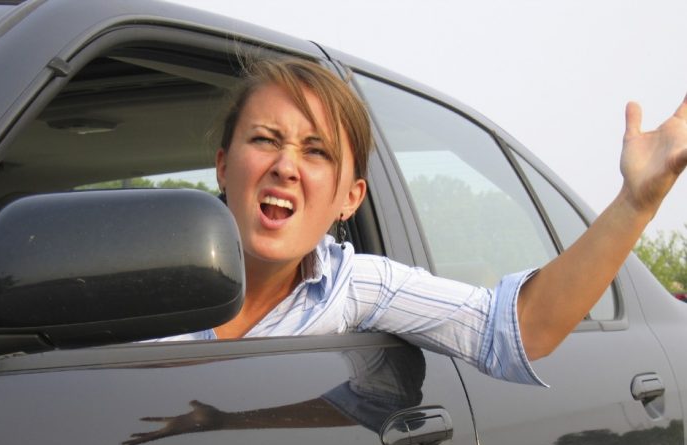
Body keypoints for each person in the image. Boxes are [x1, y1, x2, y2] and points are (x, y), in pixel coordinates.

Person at [161, 57, 687, 386]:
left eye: (316, 151)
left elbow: (515, 330)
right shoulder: (136, 277)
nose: (285, 166)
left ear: (349, 198)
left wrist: (635, 202)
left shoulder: (356, 287)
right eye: (265, 140)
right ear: (225, 166)